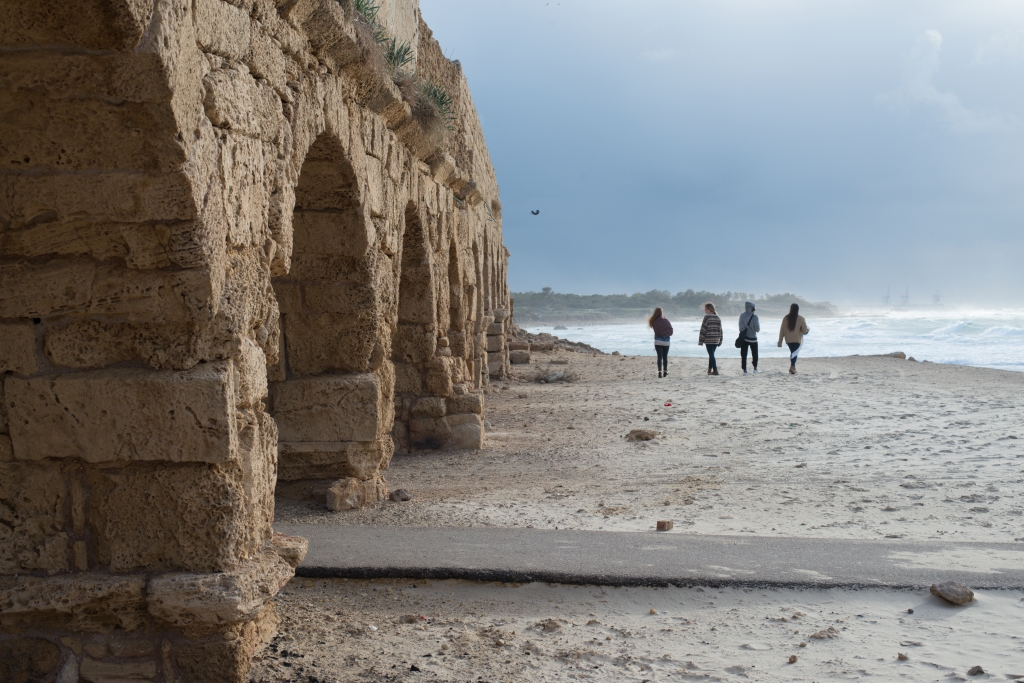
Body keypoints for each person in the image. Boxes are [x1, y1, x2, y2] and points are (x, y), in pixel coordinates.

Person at [778, 303, 809, 374]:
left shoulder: (786, 318)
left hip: (788, 339)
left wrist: (780, 342)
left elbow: (782, 330)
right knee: (794, 353)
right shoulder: (801, 318)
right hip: (797, 339)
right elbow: (804, 330)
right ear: (797, 310)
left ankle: (793, 367)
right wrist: (807, 330)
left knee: (793, 352)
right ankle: (792, 367)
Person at [698, 302, 723, 375]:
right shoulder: (717, 317)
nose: (704, 310)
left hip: (709, 339)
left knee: (711, 354)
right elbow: (720, 330)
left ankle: (715, 370)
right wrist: (720, 340)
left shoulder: (707, 317)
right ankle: (709, 370)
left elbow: (703, 329)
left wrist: (701, 341)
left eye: (705, 309)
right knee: (711, 354)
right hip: (716, 339)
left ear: (709, 309)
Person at [648, 307, 673, 378]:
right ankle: (665, 372)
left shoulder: (654, 321)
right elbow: (671, 331)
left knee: (659, 357)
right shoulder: (666, 320)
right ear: (662, 312)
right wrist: (666, 334)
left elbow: (655, 330)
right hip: (666, 341)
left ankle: (659, 373)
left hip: (658, 341)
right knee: (665, 357)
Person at [738, 301, 760, 375]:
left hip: (744, 338)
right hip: (753, 338)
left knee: (744, 355)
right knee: (755, 354)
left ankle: (745, 371)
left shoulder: (742, 315)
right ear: (752, 308)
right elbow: (758, 329)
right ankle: (755, 369)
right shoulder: (755, 317)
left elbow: (740, 328)